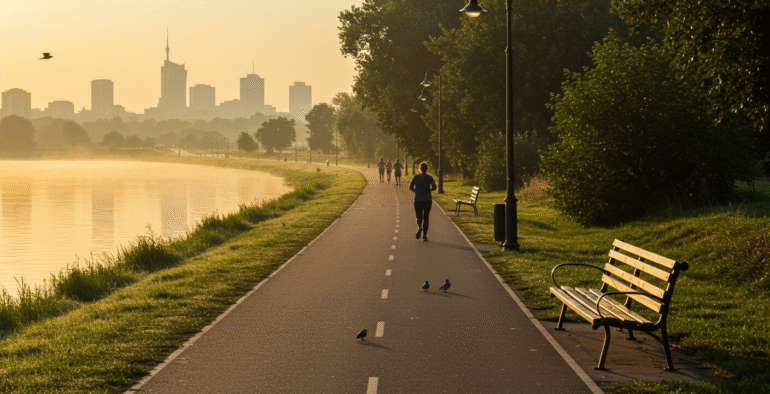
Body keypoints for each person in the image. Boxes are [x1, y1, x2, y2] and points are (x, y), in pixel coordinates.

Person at [409, 162, 437, 242]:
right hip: (427, 200)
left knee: (418, 217)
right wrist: (429, 190)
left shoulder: (416, 177)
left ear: (420, 169)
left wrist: (416, 191)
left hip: (418, 199)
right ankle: (424, 236)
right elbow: (434, 187)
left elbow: (410, 187)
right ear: (427, 169)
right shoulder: (429, 177)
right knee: (426, 218)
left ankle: (419, 227)